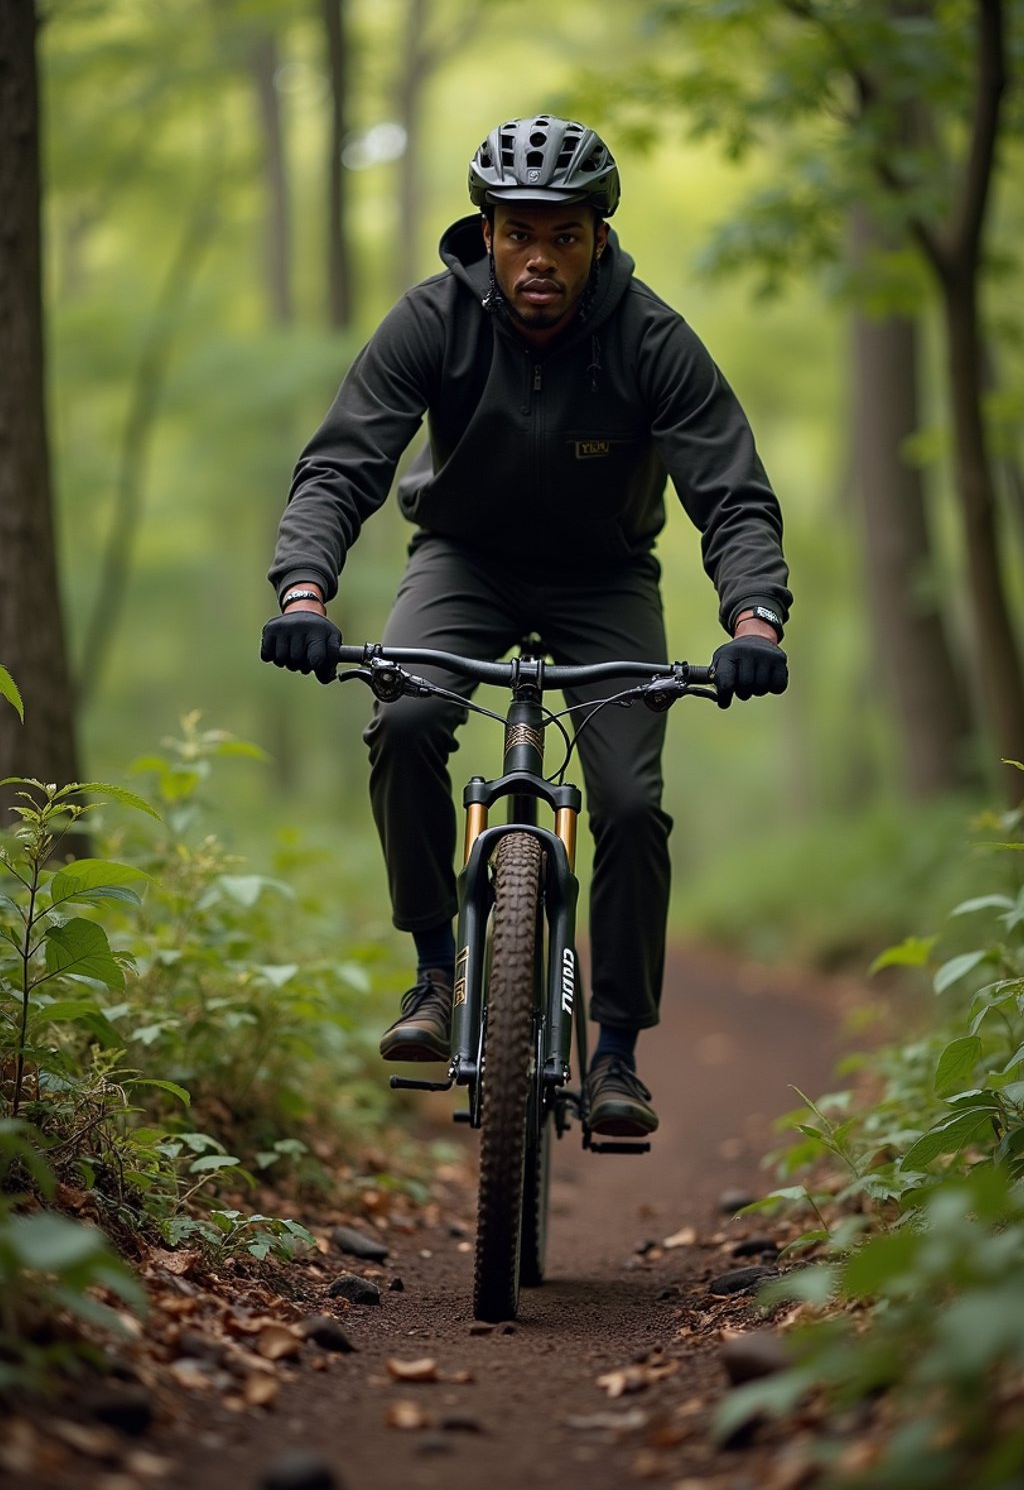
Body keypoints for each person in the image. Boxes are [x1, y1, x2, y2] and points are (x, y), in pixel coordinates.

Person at [261, 114, 790, 1138]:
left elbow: (730, 495)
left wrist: (754, 618)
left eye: (562, 235)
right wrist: (303, 596)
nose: (537, 258)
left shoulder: (650, 337)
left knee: (631, 801)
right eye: (516, 234)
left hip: (605, 581)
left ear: (599, 237)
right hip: (464, 561)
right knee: (408, 723)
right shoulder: (433, 319)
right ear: (487, 234)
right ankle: (430, 973)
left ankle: (619, 1053)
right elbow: (342, 466)